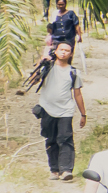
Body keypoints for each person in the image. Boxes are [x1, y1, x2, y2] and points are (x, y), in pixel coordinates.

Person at [36, 41, 85, 180]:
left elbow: (78, 94)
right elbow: (34, 80)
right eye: (61, 49)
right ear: (55, 51)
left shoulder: (74, 72)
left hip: (66, 110)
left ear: (71, 54)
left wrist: (83, 114)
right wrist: (41, 62)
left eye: (67, 50)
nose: (63, 52)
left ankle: (66, 170)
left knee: (65, 139)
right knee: (51, 139)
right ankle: (54, 169)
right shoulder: (47, 68)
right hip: (47, 108)